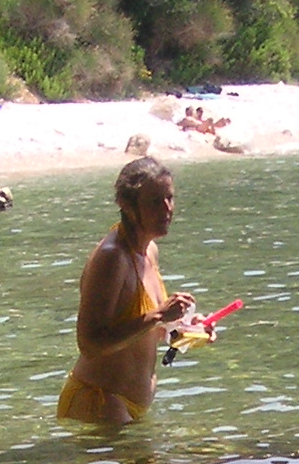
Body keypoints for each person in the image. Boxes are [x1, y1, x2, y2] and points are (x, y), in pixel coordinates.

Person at [57, 156, 195, 426]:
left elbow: (145, 332)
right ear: (127, 205)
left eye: (169, 198)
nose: (167, 209)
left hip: (129, 408)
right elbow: (90, 344)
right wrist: (159, 315)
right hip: (100, 403)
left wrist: (187, 328)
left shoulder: (149, 251)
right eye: (155, 201)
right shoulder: (112, 258)